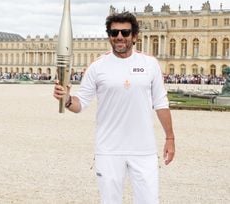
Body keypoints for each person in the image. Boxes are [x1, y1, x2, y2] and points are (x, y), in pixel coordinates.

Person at [53, 11, 175, 204]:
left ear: (134, 36)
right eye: (114, 32)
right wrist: (67, 99)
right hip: (108, 149)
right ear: (109, 35)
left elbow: (161, 103)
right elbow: (80, 103)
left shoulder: (150, 64)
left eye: (125, 32)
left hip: (143, 150)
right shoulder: (97, 67)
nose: (119, 37)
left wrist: (169, 138)